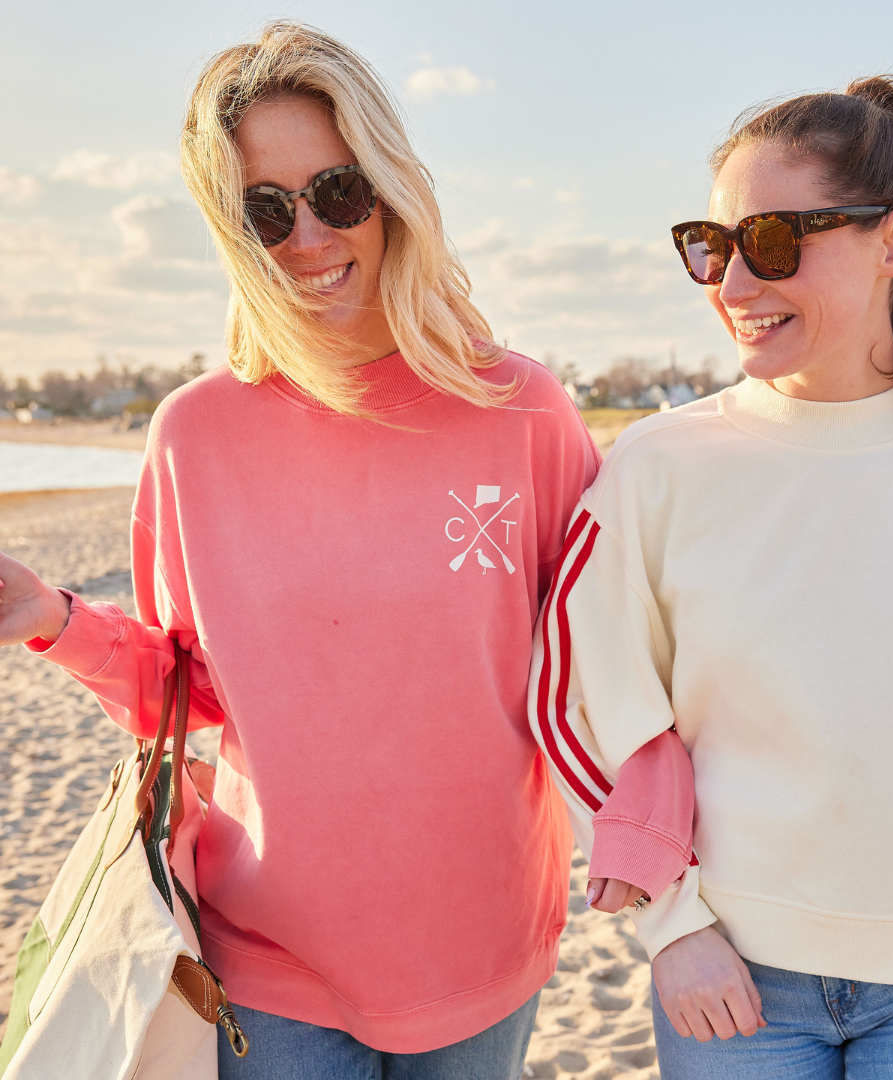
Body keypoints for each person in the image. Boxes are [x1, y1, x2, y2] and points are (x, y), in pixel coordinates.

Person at [0, 21, 600, 1079]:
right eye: (267, 211)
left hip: (485, 938)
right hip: (268, 953)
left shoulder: (521, 410)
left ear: (392, 191)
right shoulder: (193, 434)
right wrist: (53, 620)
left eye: (338, 193)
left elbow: (603, 661)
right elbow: (191, 687)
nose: (310, 238)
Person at [529, 76, 893, 1078]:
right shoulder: (659, 466)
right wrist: (672, 925)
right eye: (713, 245)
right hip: (736, 979)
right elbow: (577, 700)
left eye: (776, 241)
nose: (734, 285)